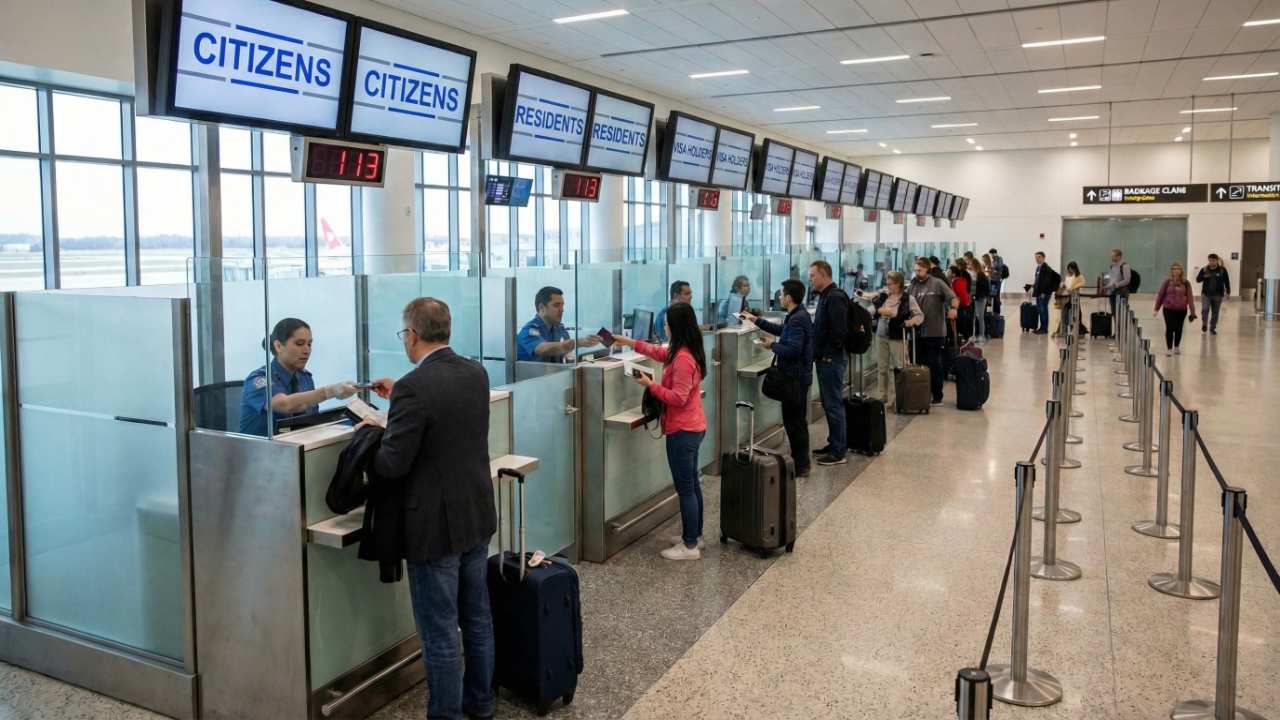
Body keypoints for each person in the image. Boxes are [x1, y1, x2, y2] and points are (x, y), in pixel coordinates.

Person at [366, 298, 497, 720]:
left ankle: (446, 714)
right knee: (476, 620)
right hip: (476, 513)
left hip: (435, 528)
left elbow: (392, 463)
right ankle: (481, 705)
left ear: (412, 335)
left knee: (440, 632)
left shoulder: (413, 387)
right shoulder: (475, 372)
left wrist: (375, 434)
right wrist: (399, 407)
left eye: (404, 334)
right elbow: (447, 430)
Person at [612, 303, 708, 560]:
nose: (663, 326)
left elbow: (677, 398)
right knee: (692, 485)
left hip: (683, 431)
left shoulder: (684, 359)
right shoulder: (681, 352)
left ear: (675, 326)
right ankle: (695, 535)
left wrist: (650, 385)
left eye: (666, 323)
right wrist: (629, 342)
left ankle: (689, 547)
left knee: (686, 488)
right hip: (692, 427)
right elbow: (656, 352)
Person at [742, 280, 814, 477]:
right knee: (796, 421)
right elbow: (783, 332)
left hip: (794, 378)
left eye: (782, 295)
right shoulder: (797, 315)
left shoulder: (798, 318)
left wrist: (771, 346)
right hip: (797, 377)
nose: (780, 298)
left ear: (789, 298)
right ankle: (800, 461)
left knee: (795, 423)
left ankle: (801, 465)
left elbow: (793, 350)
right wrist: (755, 320)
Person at [239, 317, 356, 436]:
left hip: (298, 445)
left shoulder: (305, 377)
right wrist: (329, 391)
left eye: (309, 344)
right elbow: (285, 405)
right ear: (278, 346)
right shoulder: (258, 379)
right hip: (264, 451)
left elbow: (310, 420)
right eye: (299, 344)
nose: (307, 350)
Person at [808, 260, 850, 466]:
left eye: (813, 275)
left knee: (833, 404)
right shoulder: (826, 296)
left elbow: (839, 331)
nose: (811, 279)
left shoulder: (834, 297)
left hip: (831, 359)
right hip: (826, 358)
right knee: (829, 403)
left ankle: (838, 451)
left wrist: (828, 354)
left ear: (824, 275)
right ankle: (834, 442)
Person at [908, 257, 959, 406]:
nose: (917, 273)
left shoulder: (937, 283)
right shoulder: (912, 285)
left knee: (934, 364)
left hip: (935, 332)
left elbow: (953, 297)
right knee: (917, 364)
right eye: (915, 270)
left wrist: (954, 309)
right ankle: (921, 393)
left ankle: (937, 395)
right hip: (917, 333)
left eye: (920, 270)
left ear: (927, 269)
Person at [870, 271, 923, 409]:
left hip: (897, 337)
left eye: (890, 284)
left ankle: (896, 398)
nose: (888, 287)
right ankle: (881, 396)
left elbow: (919, 316)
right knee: (882, 368)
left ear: (898, 284)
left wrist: (910, 322)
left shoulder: (908, 299)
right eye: (886, 284)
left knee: (898, 368)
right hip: (881, 336)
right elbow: (873, 310)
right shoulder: (883, 297)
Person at [516, 286, 600, 362]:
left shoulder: (559, 328)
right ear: (541, 308)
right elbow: (544, 349)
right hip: (534, 378)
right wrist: (578, 342)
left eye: (562, 305)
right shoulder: (530, 330)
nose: (562, 309)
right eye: (556, 305)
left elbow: (567, 353)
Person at [1154, 263, 1196, 356]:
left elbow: (1190, 297)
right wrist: (1156, 308)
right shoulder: (1167, 282)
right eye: (1174, 269)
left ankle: (1176, 346)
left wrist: (1192, 312)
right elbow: (1161, 295)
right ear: (1171, 271)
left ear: (1181, 271)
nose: (1176, 271)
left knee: (1178, 328)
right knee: (1169, 328)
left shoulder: (1186, 283)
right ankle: (1169, 348)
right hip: (1168, 308)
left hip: (1181, 310)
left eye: (1178, 269)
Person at [1196, 253, 1231, 334]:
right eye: (1210, 260)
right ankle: (1204, 324)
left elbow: (1227, 281)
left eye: (1213, 260)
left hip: (1218, 295)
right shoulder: (1204, 269)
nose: (1211, 262)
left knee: (1215, 312)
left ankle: (1212, 328)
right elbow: (1197, 280)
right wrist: (1204, 276)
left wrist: (1228, 291)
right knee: (1205, 309)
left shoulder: (1222, 270)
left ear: (1217, 260)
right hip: (1206, 294)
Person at [1052, 261, 1086, 337]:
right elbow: (1066, 284)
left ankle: (1076, 331)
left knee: (1076, 314)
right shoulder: (1067, 276)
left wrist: (1073, 288)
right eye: (1069, 269)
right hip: (1065, 296)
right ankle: (1062, 331)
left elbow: (1082, 283)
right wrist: (1062, 285)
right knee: (1064, 314)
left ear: (1075, 269)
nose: (1070, 270)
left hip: (1074, 297)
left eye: (1071, 269)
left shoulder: (1079, 276)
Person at [1031, 251, 1059, 335]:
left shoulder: (1046, 268)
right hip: (1039, 292)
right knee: (1040, 310)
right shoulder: (1038, 268)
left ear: (1043, 258)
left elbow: (1047, 282)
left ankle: (1044, 328)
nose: (1037, 259)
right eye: (1036, 258)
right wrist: (1034, 285)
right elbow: (1038, 280)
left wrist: (1044, 292)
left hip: (1044, 293)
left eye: (1039, 257)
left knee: (1043, 310)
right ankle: (1041, 327)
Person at [1103, 248, 1132, 318]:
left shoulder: (1125, 266)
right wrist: (1107, 286)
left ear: (1119, 256)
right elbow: (1112, 279)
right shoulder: (1113, 266)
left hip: (1122, 292)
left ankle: (1122, 328)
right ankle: (1117, 328)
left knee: (1121, 314)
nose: (1111, 257)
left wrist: (1116, 284)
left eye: (1113, 256)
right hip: (1113, 292)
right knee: (1114, 313)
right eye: (1111, 256)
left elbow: (1127, 280)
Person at [948, 263, 972, 343]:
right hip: (965, 303)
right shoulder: (962, 280)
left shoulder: (956, 282)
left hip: (961, 305)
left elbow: (959, 294)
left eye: (949, 272)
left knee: (961, 322)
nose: (948, 273)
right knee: (963, 321)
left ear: (954, 274)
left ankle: (962, 337)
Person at [968, 257, 990, 342]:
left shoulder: (980, 275)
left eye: (971, 265)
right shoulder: (978, 274)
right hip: (978, 297)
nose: (970, 266)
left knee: (980, 317)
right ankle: (977, 335)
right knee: (977, 317)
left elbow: (983, 288)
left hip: (980, 298)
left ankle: (982, 335)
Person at [989, 249, 1006, 315]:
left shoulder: (999, 259)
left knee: (996, 296)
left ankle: (997, 312)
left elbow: (998, 267)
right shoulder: (992, 259)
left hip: (997, 280)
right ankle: (993, 311)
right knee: (992, 295)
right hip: (992, 279)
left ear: (995, 253)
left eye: (992, 254)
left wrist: (992, 268)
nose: (991, 256)